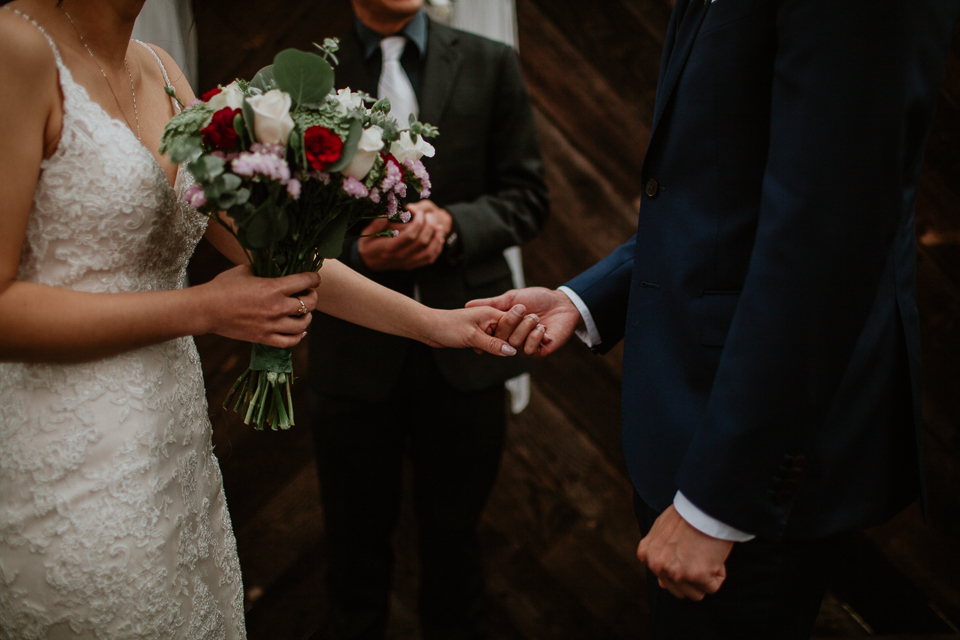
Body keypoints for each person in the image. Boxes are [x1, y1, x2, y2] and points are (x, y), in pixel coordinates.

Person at [0, 0, 526, 637]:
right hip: (59, 451)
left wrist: (435, 323)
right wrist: (204, 309)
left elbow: (271, 253)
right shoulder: (17, 46)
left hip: (171, 449)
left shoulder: (163, 71)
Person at [472, 1, 960, 638]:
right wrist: (583, 299)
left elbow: (829, 228)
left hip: (755, 450)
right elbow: (721, 198)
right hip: (691, 425)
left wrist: (720, 503)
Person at [308, 0, 548, 638]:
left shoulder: (489, 62)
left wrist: (454, 225)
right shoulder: (303, 80)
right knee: (352, 564)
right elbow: (278, 217)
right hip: (352, 355)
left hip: (467, 353)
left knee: (456, 557)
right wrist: (356, 252)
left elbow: (528, 197)